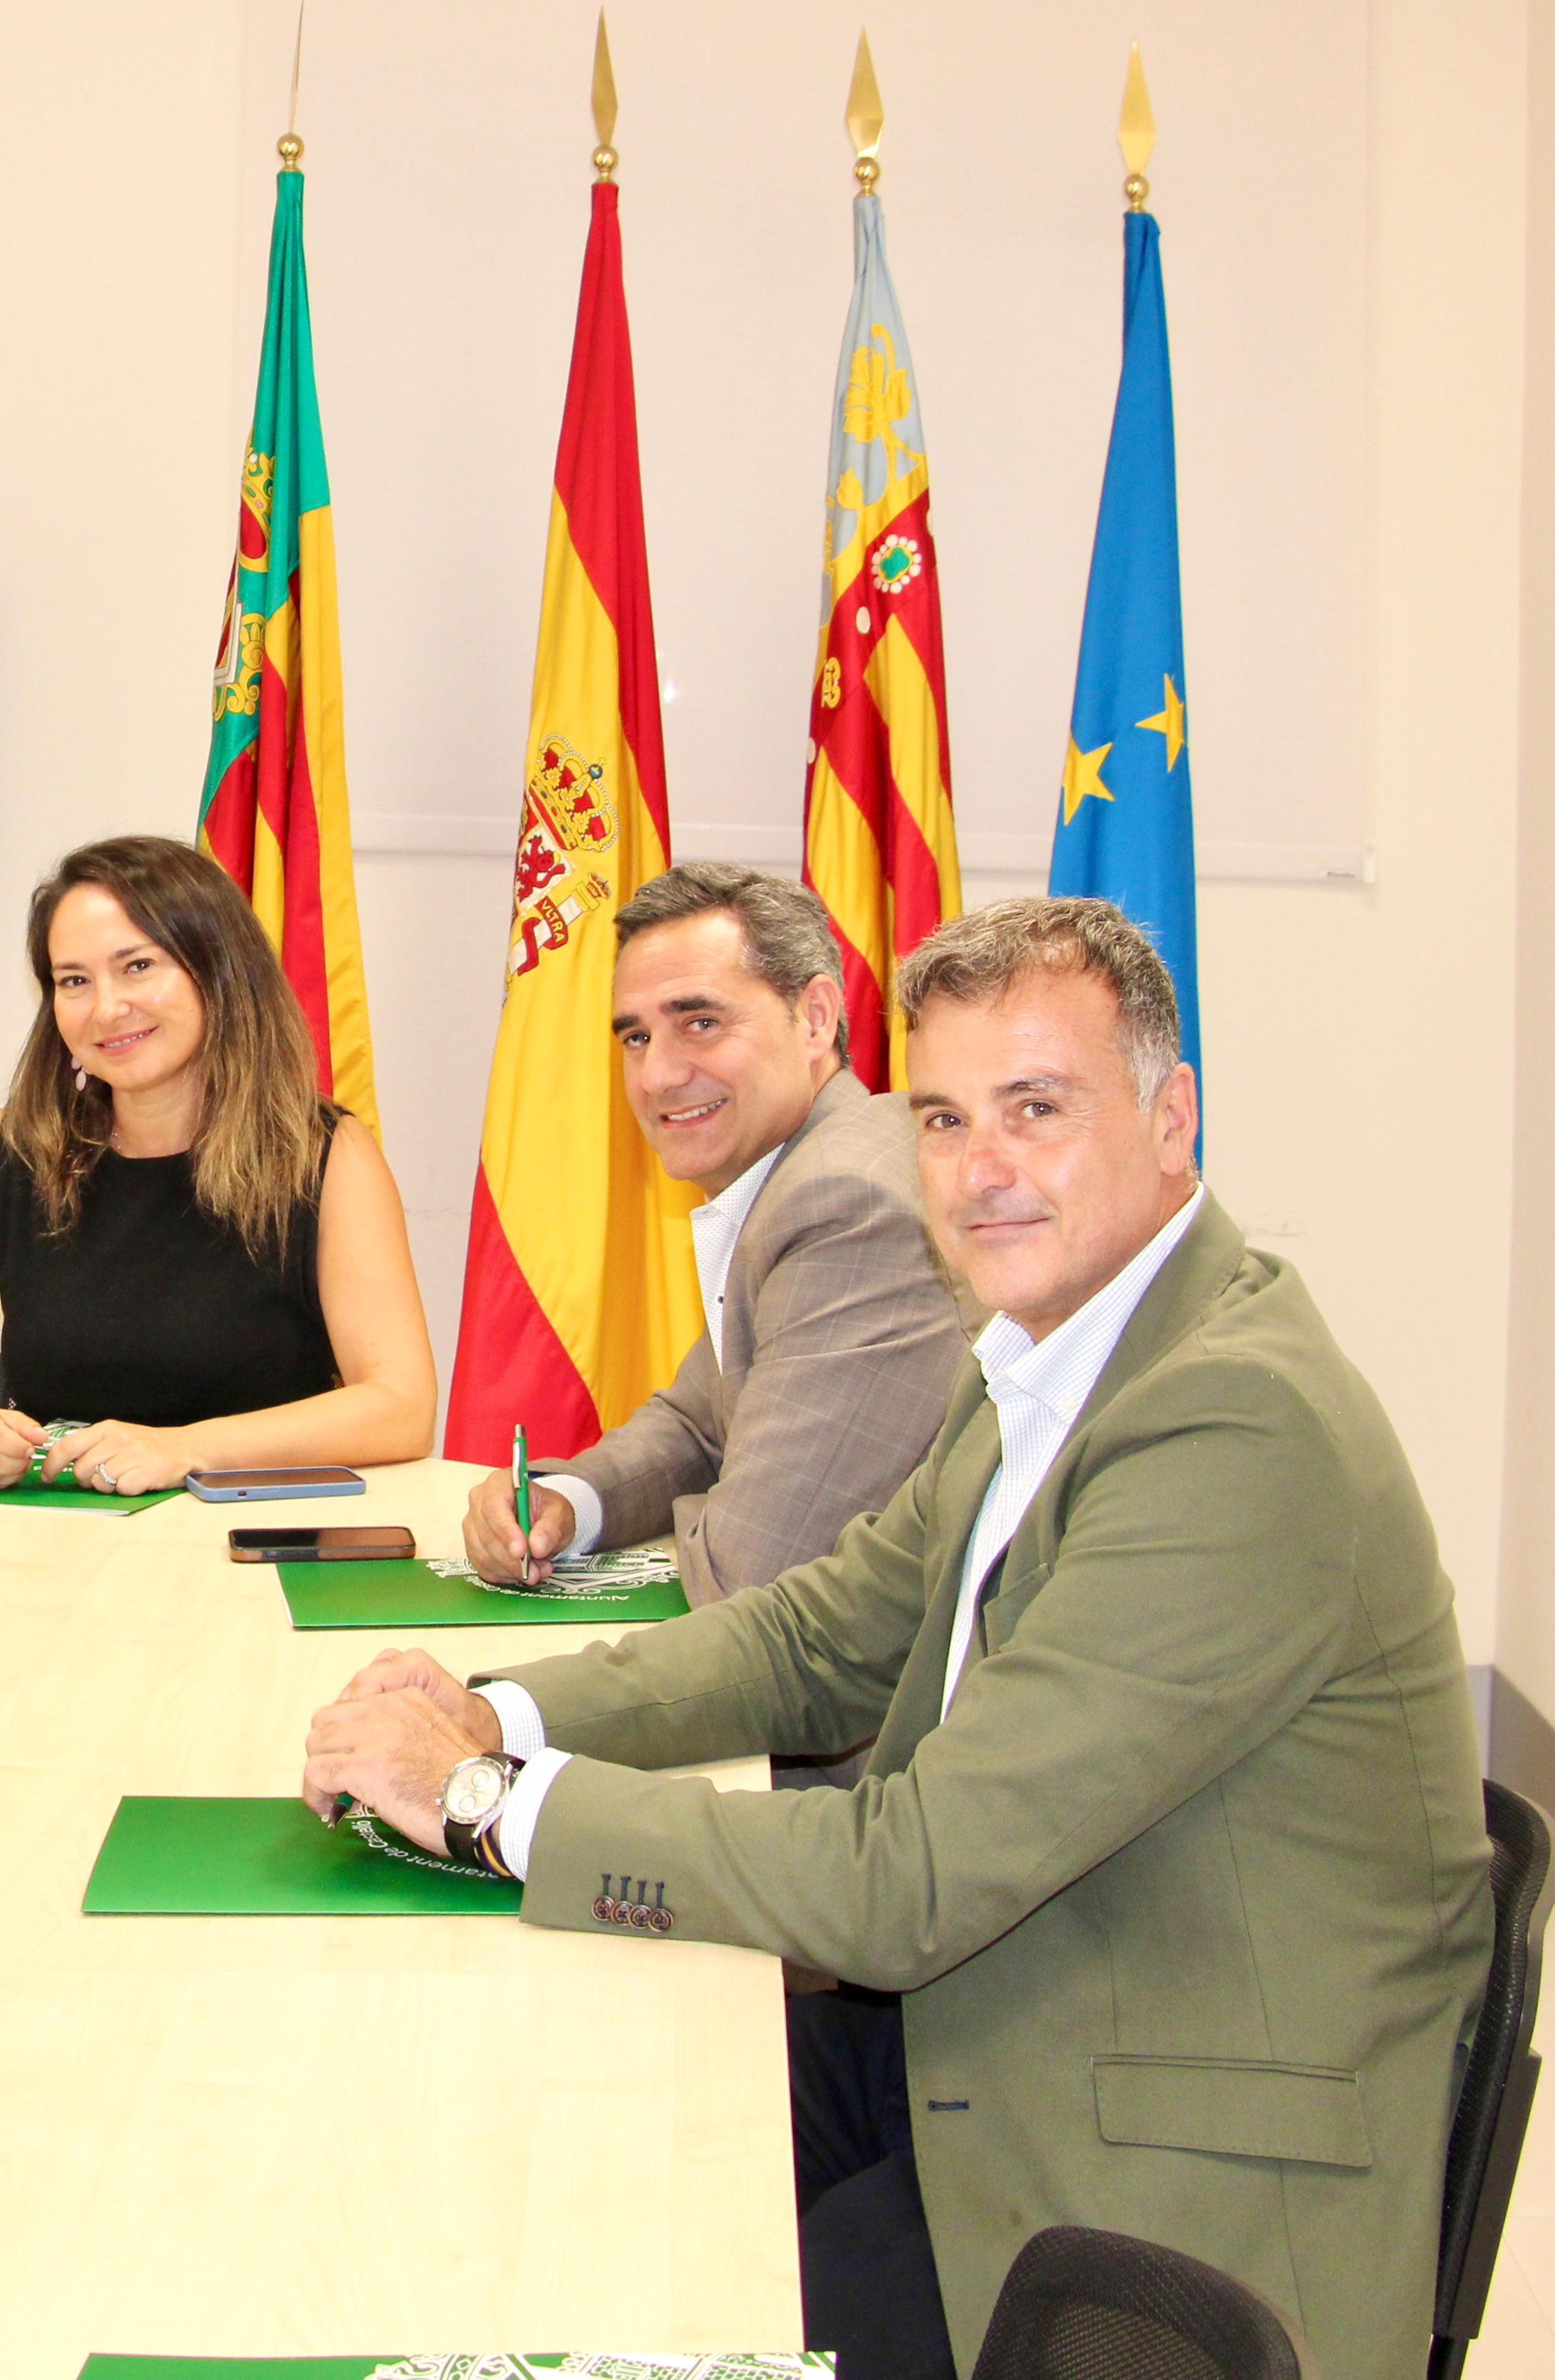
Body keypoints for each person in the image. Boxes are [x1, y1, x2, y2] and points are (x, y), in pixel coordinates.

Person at [300, 896, 1486, 2380]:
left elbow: (909, 1878)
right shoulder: (1051, 1345)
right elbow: (822, 1635)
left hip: (1156, 2195)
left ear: (1170, 1117)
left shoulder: (1231, 1420)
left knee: (602, 2302)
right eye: (941, 1118)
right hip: (1008, 2016)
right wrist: (501, 1714)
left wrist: (485, 1806)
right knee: (553, 2139)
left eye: (1035, 1109)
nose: (980, 1172)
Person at [0, 834, 433, 1493]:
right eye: (74, 981)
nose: (106, 1008)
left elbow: (402, 1407)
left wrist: (184, 1449)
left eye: (138, 967)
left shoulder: (325, 1155)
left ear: (218, 972)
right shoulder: (16, 1149)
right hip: (52, 1549)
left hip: (246, 1538)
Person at [465, 862, 975, 1604]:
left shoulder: (845, 1207)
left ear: (814, 1019)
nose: (658, 1075)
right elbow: (701, 1421)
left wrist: (719, 1510)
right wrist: (568, 1504)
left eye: (699, 1023)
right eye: (635, 1037)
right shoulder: (804, 1169)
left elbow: (751, 1575)